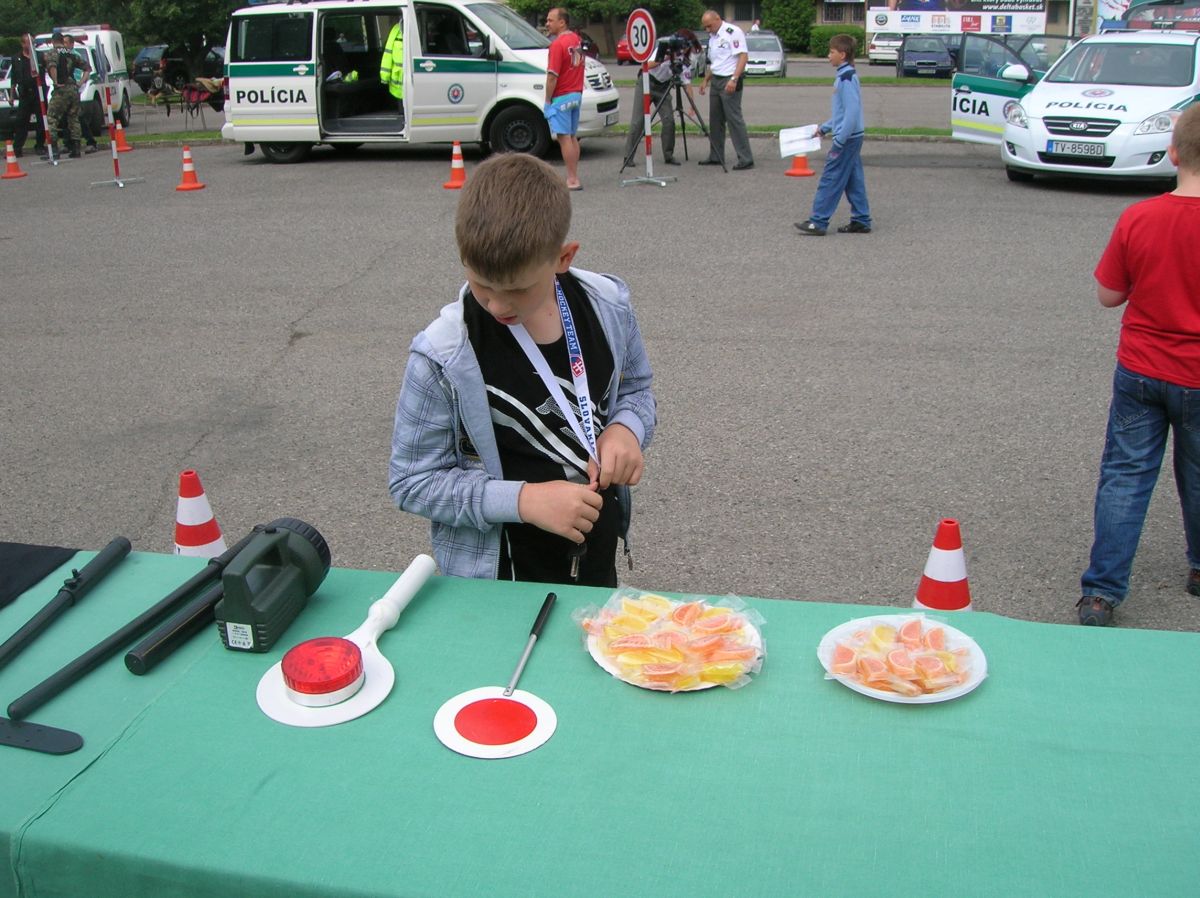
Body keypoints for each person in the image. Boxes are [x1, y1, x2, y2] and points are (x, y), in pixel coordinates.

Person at [389, 153, 657, 585]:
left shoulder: (608, 306)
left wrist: (627, 428)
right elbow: (412, 482)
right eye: (481, 284)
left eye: (517, 289)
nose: (497, 305)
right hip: (500, 585)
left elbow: (636, 389)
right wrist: (524, 501)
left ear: (564, 257)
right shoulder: (442, 354)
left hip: (594, 562)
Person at [1076, 104, 1200, 627]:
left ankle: (1102, 592)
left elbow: (1109, 295)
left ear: (1173, 153)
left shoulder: (1140, 217)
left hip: (1142, 368)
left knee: (1126, 475)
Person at [795, 34, 872, 236]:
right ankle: (861, 219)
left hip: (848, 139)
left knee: (831, 178)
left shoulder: (846, 79)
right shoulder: (845, 76)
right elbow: (842, 114)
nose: (829, 56)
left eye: (832, 52)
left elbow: (852, 114)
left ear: (842, 54)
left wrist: (839, 140)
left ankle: (818, 221)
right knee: (853, 179)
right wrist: (824, 128)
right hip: (852, 137)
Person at [622, 33, 699, 167]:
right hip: (647, 82)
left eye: (686, 47)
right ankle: (628, 156)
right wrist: (664, 59)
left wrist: (692, 105)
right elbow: (645, 66)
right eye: (682, 47)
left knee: (669, 120)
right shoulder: (663, 49)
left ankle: (668, 155)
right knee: (638, 121)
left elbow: (687, 84)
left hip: (664, 86)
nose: (683, 50)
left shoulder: (684, 60)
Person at [698, 9, 753, 170]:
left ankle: (746, 158)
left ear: (717, 19)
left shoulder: (733, 32)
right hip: (716, 79)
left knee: (734, 119)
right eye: (705, 27)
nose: (707, 29)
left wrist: (734, 79)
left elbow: (743, 56)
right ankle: (716, 155)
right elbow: (717, 62)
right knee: (715, 120)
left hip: (730, 79)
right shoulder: (713, 37)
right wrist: (706, 79)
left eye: (709, 26)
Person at [543, 8, 585, 190]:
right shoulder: (576, 40)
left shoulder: (557, 45)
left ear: (562, 22)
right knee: (572, 136)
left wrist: (547, 101)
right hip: (576, 93)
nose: (547, 24)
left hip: (561, 96)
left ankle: (572, 179)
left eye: (550, 20)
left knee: (564, 137)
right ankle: (574, 174)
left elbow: (552, 76)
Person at [45, 31, 87, 159]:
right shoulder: (70, 53)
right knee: (73, 118)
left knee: (52, 117)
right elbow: (87, 68)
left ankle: (54, 149)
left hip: (61, 89)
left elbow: (52, 66)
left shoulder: (52, 53)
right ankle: (76, 149)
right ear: (62, 41)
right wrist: (80, 82)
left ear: (53, 41)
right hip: (73, 89)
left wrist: (56, 82)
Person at [10, 35, 46, 158]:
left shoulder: (40, 56)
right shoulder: (16, 58)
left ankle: (40, 145)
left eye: (33, 43)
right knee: (21, 121)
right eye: (28, 43)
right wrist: (11, 95)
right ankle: (17, 148)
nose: (31, 45)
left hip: (38, 93)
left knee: (41, 121)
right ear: (22, 44)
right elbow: (13, 78)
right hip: (25, 94)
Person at [379, 20, 405, 125]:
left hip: (411, 76)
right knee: (402, 111)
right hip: (398, 79)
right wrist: (384, 76)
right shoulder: (396, 29)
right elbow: (388, 53)